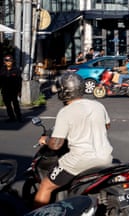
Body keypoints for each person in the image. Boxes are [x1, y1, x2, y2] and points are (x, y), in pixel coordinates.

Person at [33, 72, 113, 208]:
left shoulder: (66, 111)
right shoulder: (98, 105)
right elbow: (106, 125)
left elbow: (56, 144)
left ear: (64, 91)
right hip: (106, 157)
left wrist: (46, 140)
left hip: (79, 160)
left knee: (46, 186)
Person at [0, 55, 23, 123]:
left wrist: (19, 91)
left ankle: (19, 117)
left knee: (15, 104)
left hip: (14, 91)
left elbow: (19, 81)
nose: (8, 62)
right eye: (6, 60)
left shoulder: (16, 70)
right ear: (4, 61)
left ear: (12, 61)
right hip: (5, 90)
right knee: (8, 105)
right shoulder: (2, 69)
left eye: (10, 60)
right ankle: (11, 117)